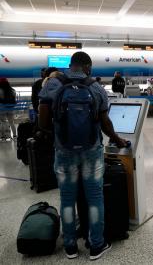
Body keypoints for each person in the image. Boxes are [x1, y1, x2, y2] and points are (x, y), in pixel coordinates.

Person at [38, 51, 127, 260]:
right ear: (88, 66)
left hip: (64, 151)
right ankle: (96, 245)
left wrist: (57, 136)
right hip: (91, 152)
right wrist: (117, 138)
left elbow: (42, 120)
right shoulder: (95, 87)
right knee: (95, 198)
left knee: (67, 199)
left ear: (71, 65)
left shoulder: (54, 83)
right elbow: (105, 123)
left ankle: (70, 246)